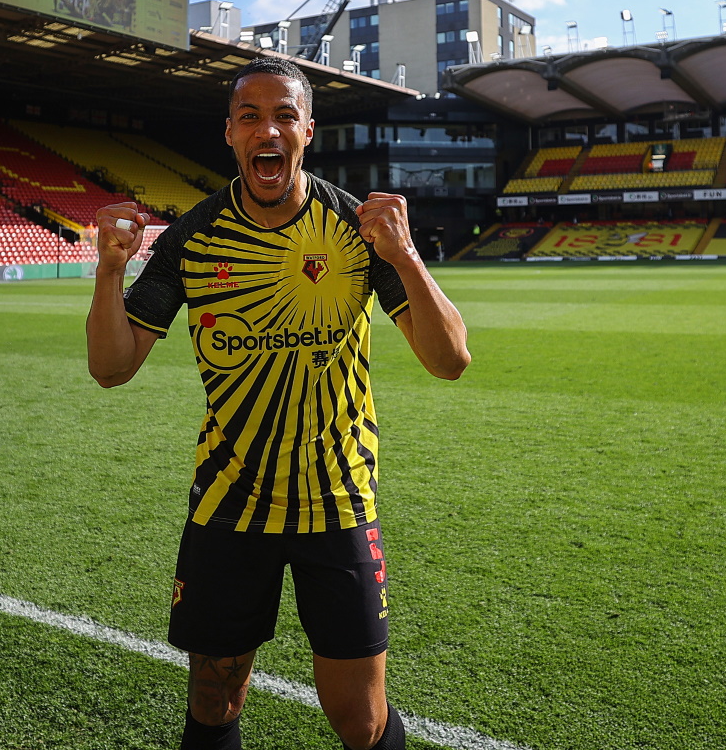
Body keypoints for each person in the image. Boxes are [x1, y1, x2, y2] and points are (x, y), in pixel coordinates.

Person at [85, 56, 470, 750]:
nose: (269, 128)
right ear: (230, 133)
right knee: (214, 698)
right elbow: (111, 368)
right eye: (251, 116)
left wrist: (407, 257)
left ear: (308, 129)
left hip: (338, 496)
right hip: (230, 500)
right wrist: (111, 270)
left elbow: (450, 360)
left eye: (284, 115)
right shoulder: (192, 240)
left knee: (363, 720)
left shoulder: (358, 229)